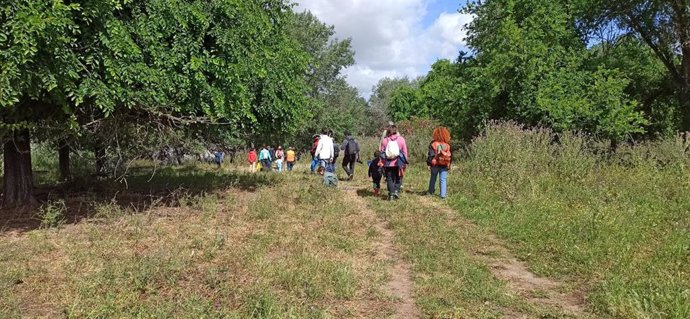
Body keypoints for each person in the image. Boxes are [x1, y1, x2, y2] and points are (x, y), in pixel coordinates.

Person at [379, 125, 408, 200]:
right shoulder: (401, 139)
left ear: (388, 131)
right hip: (399, 162)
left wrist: (381, 162)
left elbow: (382, 152)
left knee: (389, 178)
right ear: (396, 131)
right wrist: (405, 162)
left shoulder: (385, 140)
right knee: (398, 177)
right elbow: (405, 152)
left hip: (388, 163)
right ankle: (396, 191)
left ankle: (391, 194)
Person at [427, 127, 453, 199]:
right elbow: (451, 155)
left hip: (435, 164)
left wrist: (429, 164)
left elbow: (430, 155)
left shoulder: (433, 144)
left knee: (433, 178)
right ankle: (443, 195)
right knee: (443, 179)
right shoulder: (448, 145)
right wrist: (449, 164)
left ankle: (430, 192)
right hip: (444, 164)